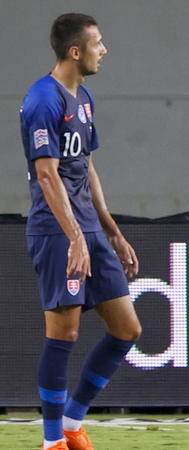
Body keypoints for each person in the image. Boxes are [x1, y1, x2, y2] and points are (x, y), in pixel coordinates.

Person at [20, 13, 142, 450]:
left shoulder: (84, 98)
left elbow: (85, 167)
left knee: (128, 329)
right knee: (64, 334)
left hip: (87, 229)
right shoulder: (41, 100)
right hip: (56, 233)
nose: (103, 49)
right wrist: (73, 236)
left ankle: (73, 423)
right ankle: (53, 442)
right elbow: (48, 175)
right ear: (76, 51)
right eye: (98, 43)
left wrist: (111, 230)